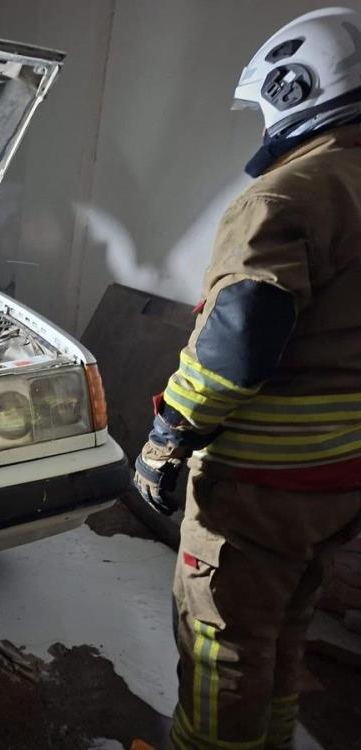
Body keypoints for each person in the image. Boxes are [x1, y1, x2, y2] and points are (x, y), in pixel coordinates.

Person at [133, 8, 361, 750]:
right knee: (287, 627)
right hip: (341, 478)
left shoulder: (286, 196)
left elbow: (237, 342)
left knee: (220, 645)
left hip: (264, 483)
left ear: (292, 88)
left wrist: (166, 440)